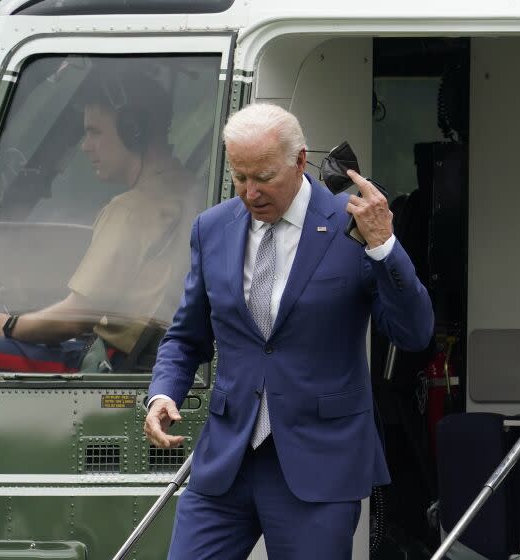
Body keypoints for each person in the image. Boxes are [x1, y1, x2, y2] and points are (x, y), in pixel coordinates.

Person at [144, 103, 434, 559]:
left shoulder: (352, 224)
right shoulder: (212, 228)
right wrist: (163, 394)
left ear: (300, 161)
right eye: (240, 177)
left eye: (263, 176)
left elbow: (414, 333)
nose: (250, 192)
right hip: (226, 460)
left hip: (319, 464)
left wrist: (385, 246)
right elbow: (186, 336)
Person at [0, 69, 199, 373]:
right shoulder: (190, 190)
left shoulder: (131, 210)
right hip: (148, 356)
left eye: (95, 132)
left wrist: (11, 325)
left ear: (133, 130)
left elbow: (78, 316)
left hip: (111, 365)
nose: (85, 145)